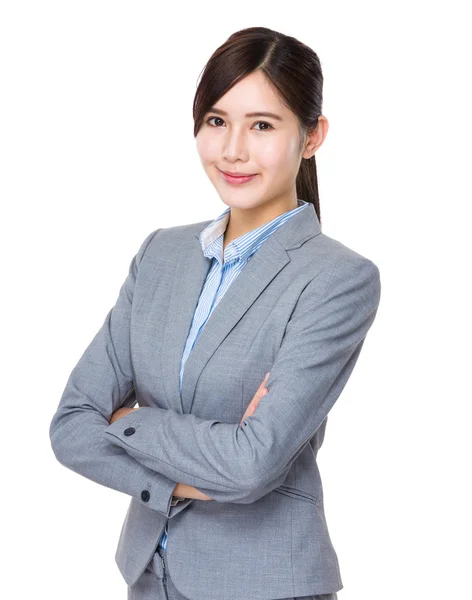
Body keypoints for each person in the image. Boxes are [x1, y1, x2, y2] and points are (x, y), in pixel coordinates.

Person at [49, 26, 381, 600]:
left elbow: (251, 465)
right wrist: (193, 476)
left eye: (262, 125)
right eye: (216, 121)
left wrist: (129, 422)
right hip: (149, 577)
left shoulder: (336, 279)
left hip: (264, 584)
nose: (233, 150)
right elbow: (71, 426)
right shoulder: (160, 255)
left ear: (311, 137)